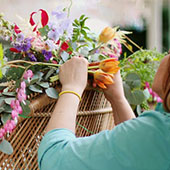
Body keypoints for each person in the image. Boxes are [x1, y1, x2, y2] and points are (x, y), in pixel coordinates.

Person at [38, 54, 170, 170]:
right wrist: (118, 99)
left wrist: (71, 87)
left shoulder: (162, 133)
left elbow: (55, 159)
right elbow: (142, 156)